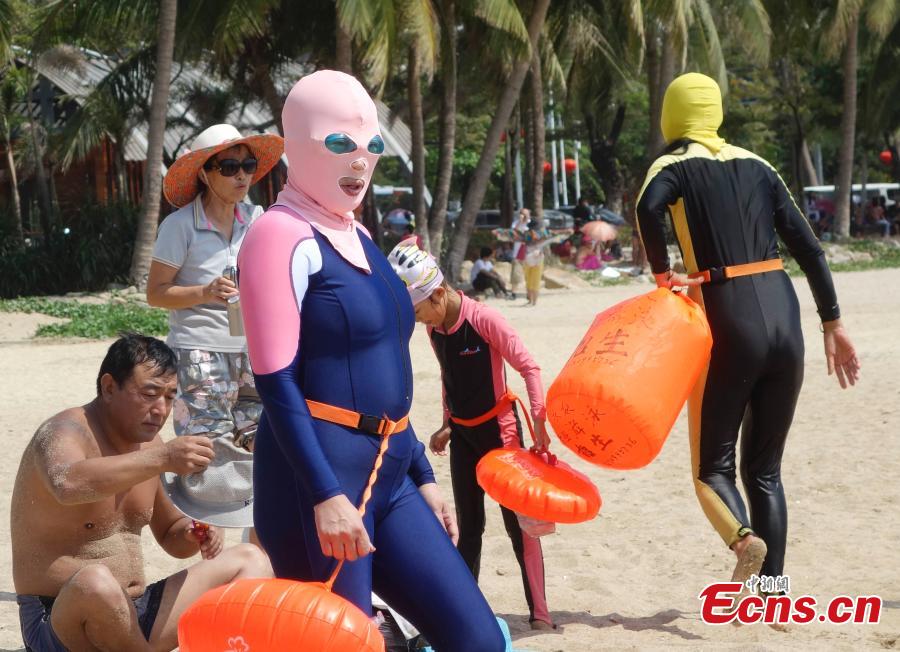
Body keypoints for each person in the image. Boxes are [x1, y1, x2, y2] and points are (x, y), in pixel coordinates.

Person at [236, 70, 506, 652]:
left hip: (390, 468)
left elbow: (387, 368)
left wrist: (422, 476)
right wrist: (324, 495)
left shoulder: (357, 235)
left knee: (478, 639)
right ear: (296, 145)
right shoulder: (277, 237)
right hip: (319, 478)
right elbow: (274, 381)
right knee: (346, 643)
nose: (360, 160)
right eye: (340, 144)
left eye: (372, 145)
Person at [636, 73, 860, 603]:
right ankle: (774, 594)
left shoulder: (671, 166)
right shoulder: (760, 165)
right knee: (765, 470)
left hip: (726, 318)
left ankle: (743, 539)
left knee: (711, 470)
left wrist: (662, 274)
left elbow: (647, 209)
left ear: (672, 114)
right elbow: (809, 247)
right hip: (785, 317)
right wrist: (832, 322)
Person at [11, 334, 273, 652]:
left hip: (133, 616)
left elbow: (171, 535)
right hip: (60, 624)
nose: (161, 409)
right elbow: (67, 485)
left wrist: (193, 532)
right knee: (96, 581)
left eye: (170, 397)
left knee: (251, 560)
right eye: (149, 394)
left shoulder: (151, 448)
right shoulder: (64, 432)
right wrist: (162, 458)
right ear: (109, 387)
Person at [388, 239, 556, 631]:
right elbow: (449, 377)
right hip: (464, 436)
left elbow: (529, 367)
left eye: (419, 312)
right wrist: (447, 423)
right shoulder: (435, 330)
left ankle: (541, 613)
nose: (420, 322)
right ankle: (464, 615)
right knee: (469, 527)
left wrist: (540, 421)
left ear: (438, 294)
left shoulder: (484, 319)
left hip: (501, 434)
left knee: (519, 527)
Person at [146, 124, 284, 538]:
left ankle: (257, 544)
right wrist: (204, 292)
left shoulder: (258, 219)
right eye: (229, 167)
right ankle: (207, 546)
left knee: (263, 439)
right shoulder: (179, 226)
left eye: (248, 165)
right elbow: (156, 293)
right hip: (198, 350)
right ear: (205, 174)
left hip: (253, 349)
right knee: (207, 446)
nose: (242, 175)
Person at [522, 217, 549, 306]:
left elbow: (525, 244)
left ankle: (530, 301)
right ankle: (534, 302)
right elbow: (543, 245)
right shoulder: (542, 233)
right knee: (536, 280)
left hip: (528, 258)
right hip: (538, 257)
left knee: (528, 280)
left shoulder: (526, 233)